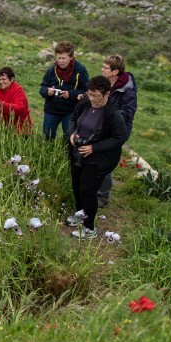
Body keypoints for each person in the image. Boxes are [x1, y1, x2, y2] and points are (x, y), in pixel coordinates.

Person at [67, 76, 128, 240]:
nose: (92, 99)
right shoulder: (86, 102)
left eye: (96, 96)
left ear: (107, 94)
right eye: (90, 94)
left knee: (88, 191)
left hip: (97, 159)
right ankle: (80, 215)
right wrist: (72, 134)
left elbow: (120, 138)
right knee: (77, 186)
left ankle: (89, 228)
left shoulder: (114, 114)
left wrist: (94, 147)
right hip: (77, 153)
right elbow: (73, 118)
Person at [96, 54, 138, 207]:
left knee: (106, 163)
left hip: (116, 131)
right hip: (101, 127)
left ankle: (102, 197)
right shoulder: (104, 84)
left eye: (105, 68)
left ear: (115, 72)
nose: (102, 69)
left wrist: (109, 109)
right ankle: (94, 189)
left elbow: (128, 114)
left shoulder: (127, 92)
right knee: (95, 158)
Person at [39, 41, 89, 140]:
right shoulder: (52, 69)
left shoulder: (80, 71)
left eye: (64, 58)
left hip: (71, 112)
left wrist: (70, 94)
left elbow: (86, 91)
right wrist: (47, 92)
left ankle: (67, 155)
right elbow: (42, 87)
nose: (61, 61)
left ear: (71, 57)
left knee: (68, 140)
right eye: (58, 58)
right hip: (51, 110)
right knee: (47, 137)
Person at [0, 67, 32, 133]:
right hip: (5, 131)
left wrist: (0, 104)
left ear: (11, 79)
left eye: (4, 79)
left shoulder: (18, 90)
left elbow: (19, 109)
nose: (1, 82)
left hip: (21, 130)